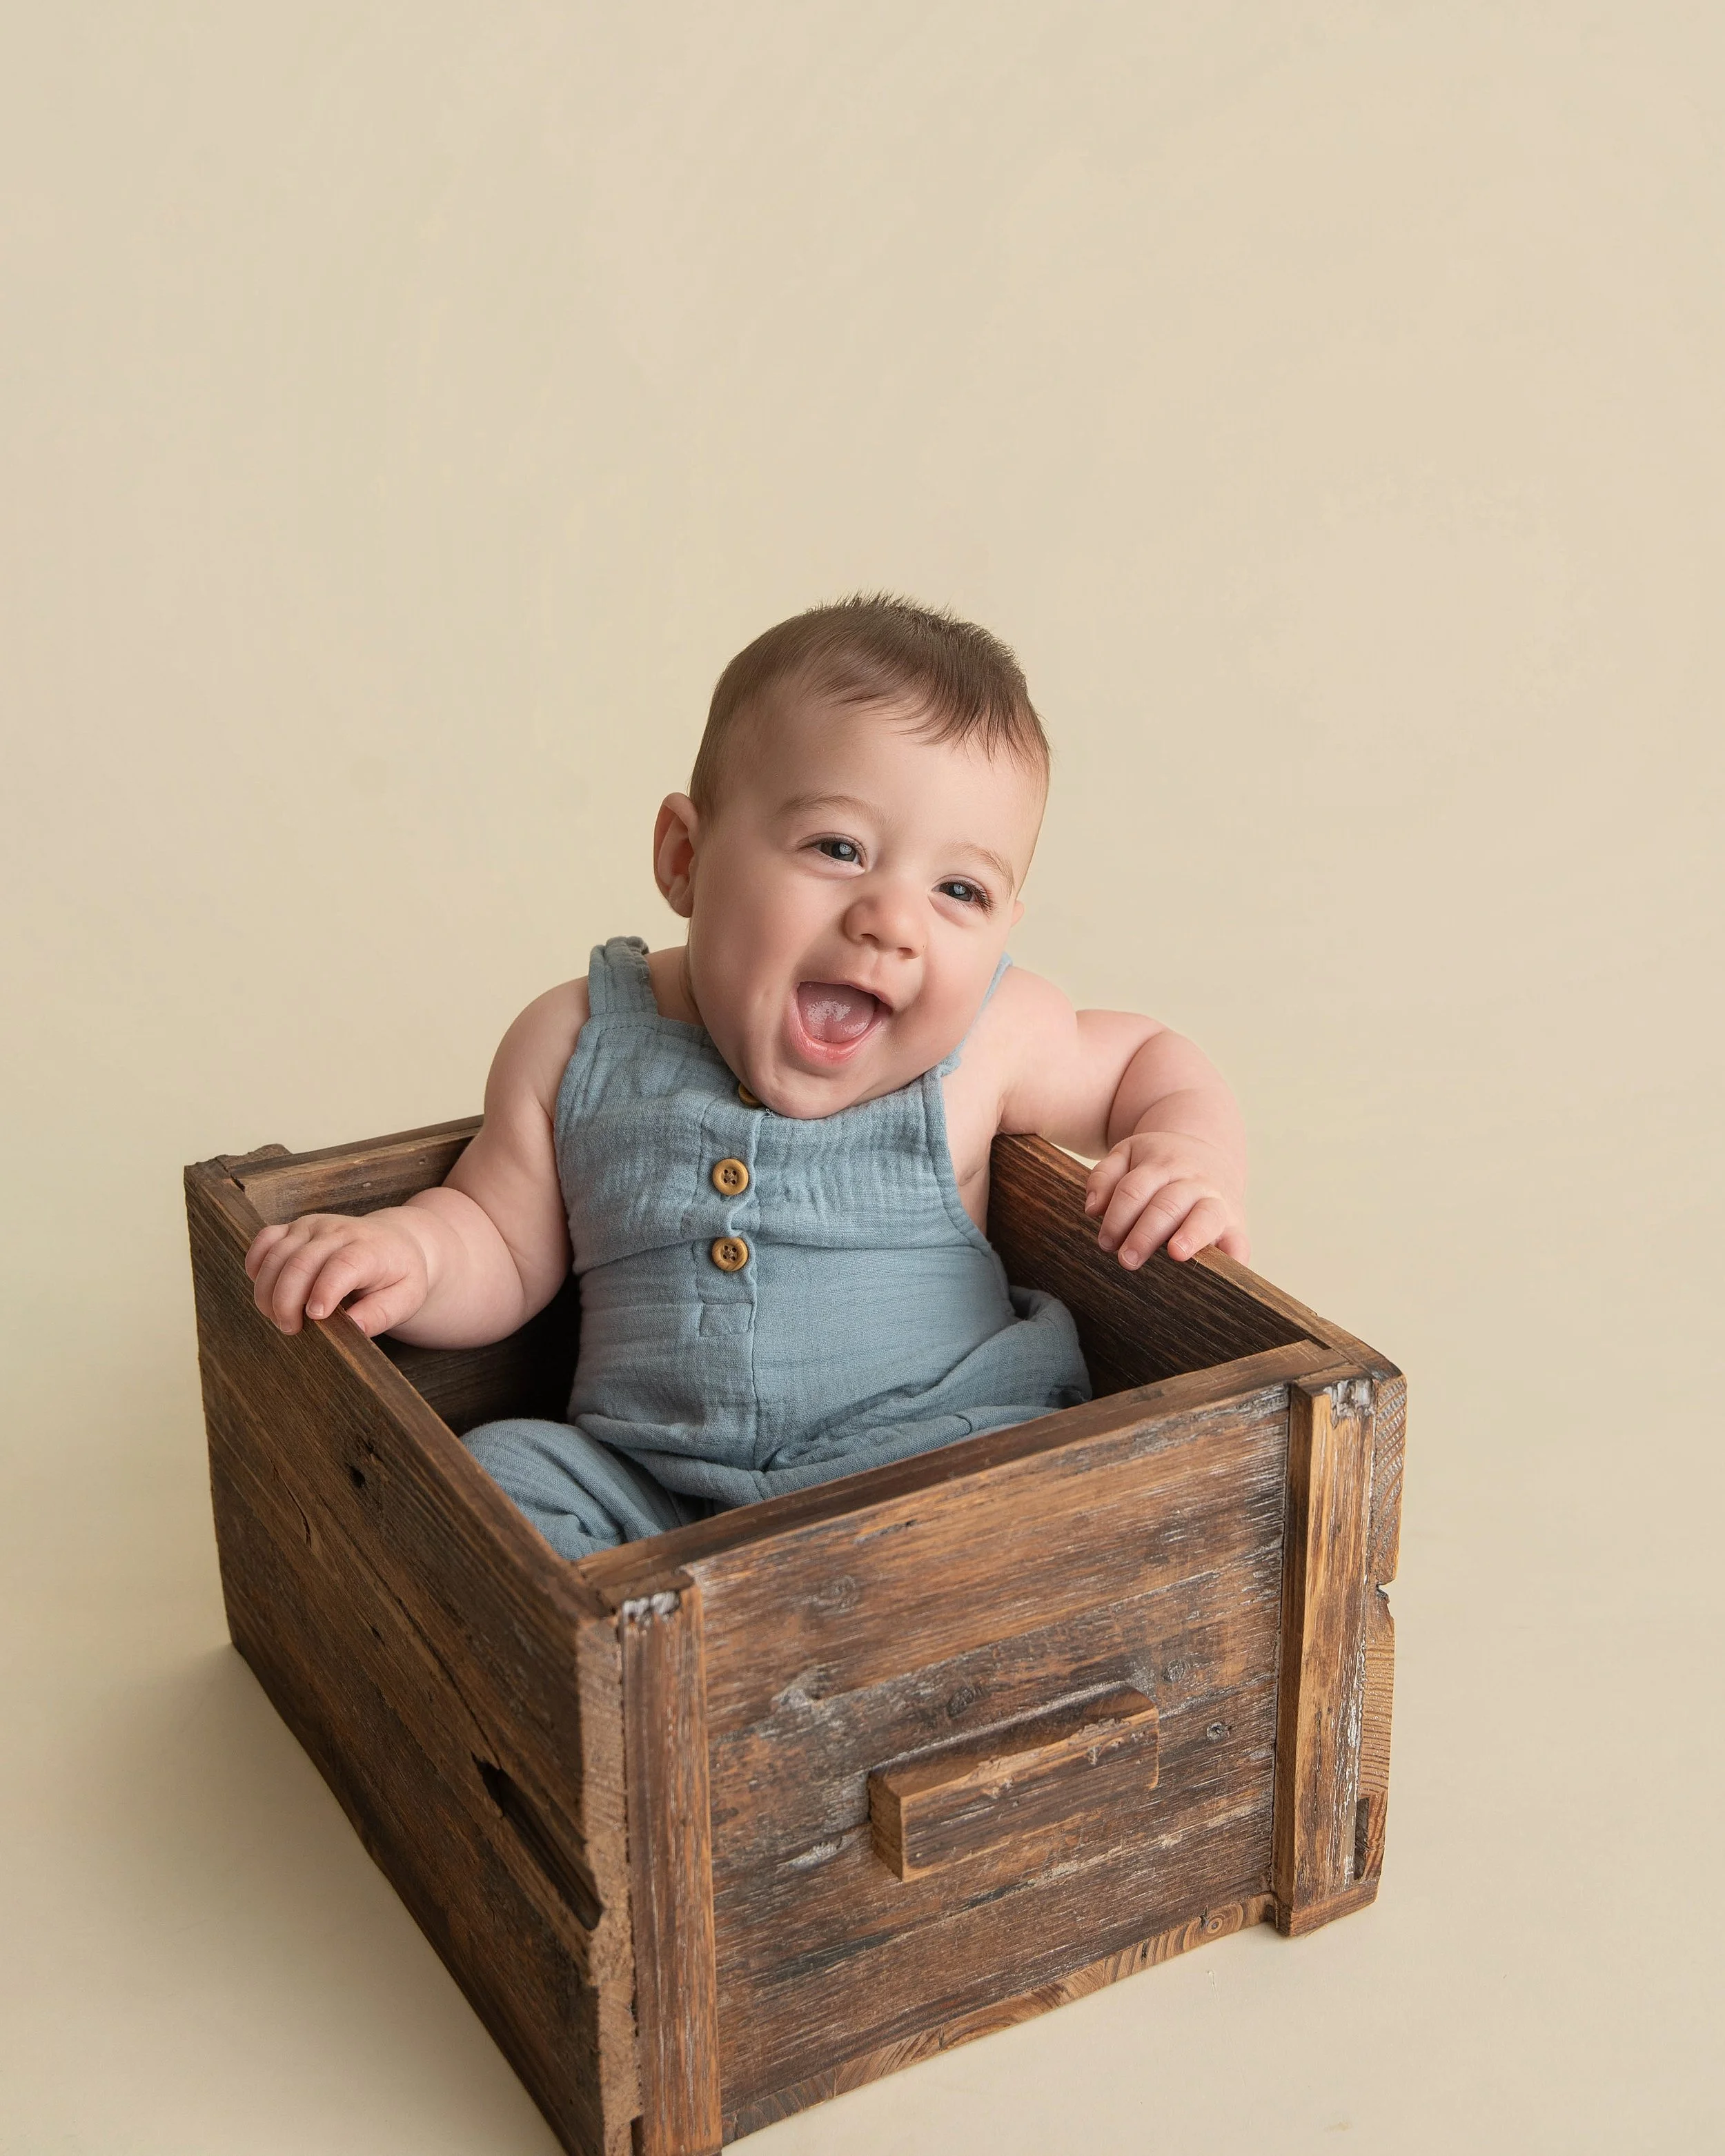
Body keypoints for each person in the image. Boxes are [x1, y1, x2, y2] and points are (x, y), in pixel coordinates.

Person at [244, 597, 1250, 1556]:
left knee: (1079, 1503)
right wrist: (408, 1256)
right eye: (838, 847)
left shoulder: (990, 1035)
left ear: (1000, 935)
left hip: (948, 1467)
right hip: (666, 1504)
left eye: (959, 889)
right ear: (686, 857)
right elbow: (499, 1241)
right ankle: (651, 1673)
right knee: (503, 1475)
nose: (892, 922)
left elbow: (1145, 1063)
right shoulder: (578, 1038)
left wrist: (1184, 1146)